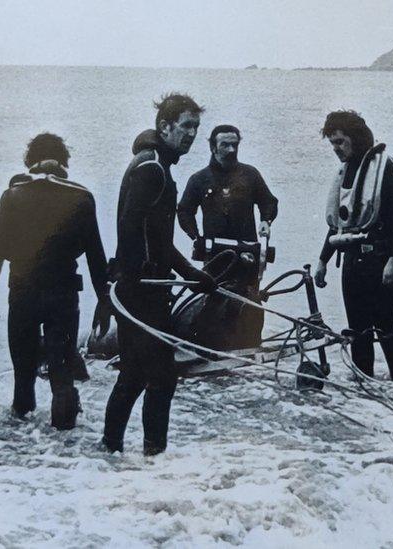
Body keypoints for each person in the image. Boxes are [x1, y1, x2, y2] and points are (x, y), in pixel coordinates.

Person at [102, 93, 217, 456]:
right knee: (161, 377)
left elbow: (160, 241)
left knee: (135, 374)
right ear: (164, 126)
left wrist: (193, 275)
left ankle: (112, 450)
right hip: (142, 289)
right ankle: (151, 454)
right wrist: (135, 281)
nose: (191, 135)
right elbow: (129, 227)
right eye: (185, 126)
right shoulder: (151, 168)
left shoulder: (157, 166)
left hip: (144, 286)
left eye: (196, 128)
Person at [0, 133, 110, 430]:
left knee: (23, 374)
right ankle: (65, 446)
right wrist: (104, 302)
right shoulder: (81, 197)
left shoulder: (12, 196)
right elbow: (96, 259)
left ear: (30, 161)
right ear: (64, 162)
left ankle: (21, 444)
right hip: (63, 294)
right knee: (62, 374)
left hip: (22, 293)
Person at [314, 110, 393, 383]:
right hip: (353, 261)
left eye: (340, 142)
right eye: (332, 143)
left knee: (386, 327)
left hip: (381, 259)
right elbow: (339, 223)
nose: (336, 149)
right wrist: (323, 260)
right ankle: (364, 388)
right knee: (358, 330)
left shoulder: (385, 168)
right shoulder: (345, 172)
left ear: (355, 139)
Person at [176, 125, 278, 347]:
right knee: (213, 302)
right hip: (216, 255)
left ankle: (250, 351)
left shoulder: (250, 175)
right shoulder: (199, 179)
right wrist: (195, 237)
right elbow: (184, 210)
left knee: (250, 303)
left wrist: (265, 221)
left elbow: (269, 202)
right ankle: (212, 351)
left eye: (235, 144)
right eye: (225, 145)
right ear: (213, 147)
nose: (231, 150)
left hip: (247, 253)